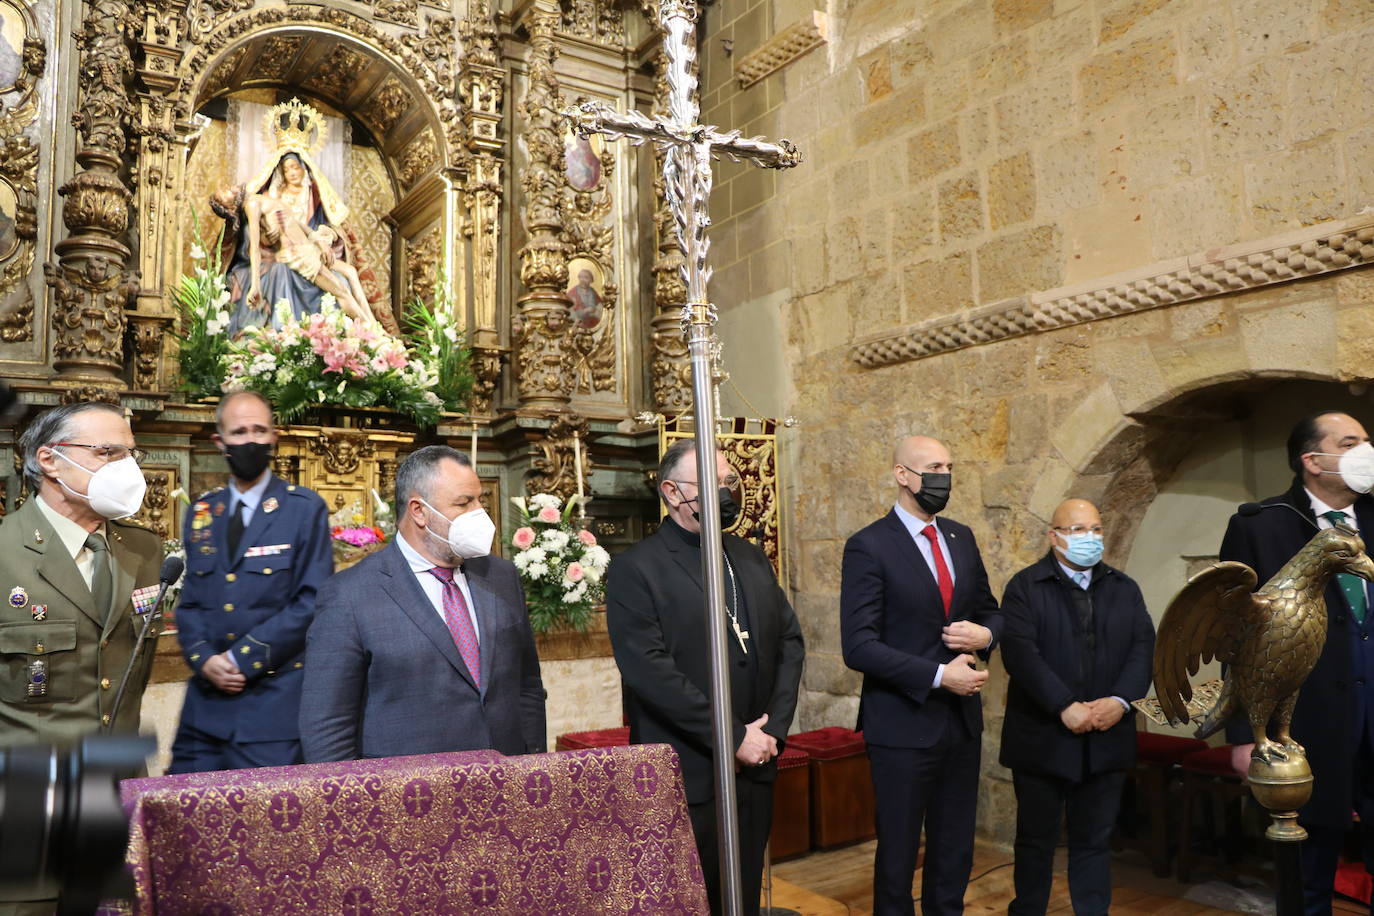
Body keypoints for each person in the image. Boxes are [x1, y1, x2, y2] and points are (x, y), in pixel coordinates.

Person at [606, 439, 804, 916]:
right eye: (712, 484)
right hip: (688, 770)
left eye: (729, 481)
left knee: (744, 896)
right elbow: (649, 672)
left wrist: (771, 731)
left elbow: (790, 643)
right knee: (692, 901)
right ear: (673, 492)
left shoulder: (750, 557)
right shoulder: (637, 568)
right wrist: (732, 736)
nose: (726, 491)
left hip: (757, 761)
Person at [0, 402, 162, 914]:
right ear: (50, 460)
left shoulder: (144, 551)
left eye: (130, 454)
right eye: (108, 452)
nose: (126, 468)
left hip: (113, 802)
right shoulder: (5, 552)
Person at [299, 445, 546, 761]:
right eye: (463, 503)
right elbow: (327, 726)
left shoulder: (501, 576)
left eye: (479, 500)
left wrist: (531, 763)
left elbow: (527, 685)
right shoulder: (349, 597)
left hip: (504, 784)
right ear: (419, 510)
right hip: (408, 797)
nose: (479, 513)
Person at [1219, 410, 1374, 915]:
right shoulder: (1261, 526)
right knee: (1307, 874)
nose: (1365, 454)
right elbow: (1236, 638)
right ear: (1313, 460)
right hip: (1306, 724)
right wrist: (1245, 733)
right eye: (1351, 443)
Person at [840, 435, 1002, 916]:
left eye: (949, 466)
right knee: (898, 855)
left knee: (954, 850)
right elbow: (859, 646)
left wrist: (985, 636)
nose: (943, 477)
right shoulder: (869, 545)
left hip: (961, 723)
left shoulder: (961, 536)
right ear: (902, 475)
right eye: (933, 467)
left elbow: (993, 613)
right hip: (902, 725)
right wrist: (937, 676)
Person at [998, 498, 1155, 915]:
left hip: (1107, 734)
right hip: (1042, 735)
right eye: (1077, 530)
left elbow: (1143, 649)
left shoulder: (1124, 587)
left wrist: (1121, 701)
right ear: (1054, 537)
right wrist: (1064, 705)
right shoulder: (1025, 587)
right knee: (1036, 839)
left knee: (1094, 839)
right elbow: (1021, 654)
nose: (1090, 538)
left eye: (1096, 529)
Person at [167, 391, 332, 773]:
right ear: (219, 442)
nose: (251, 440)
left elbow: (311, 602)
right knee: (182, 820)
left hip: (271, 711)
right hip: (203, 715)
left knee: (268, 827)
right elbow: (190, 603)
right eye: (239, 432)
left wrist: (243, 658)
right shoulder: (204, 511)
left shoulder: (303, 509)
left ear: (275, 436)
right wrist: (204, 658)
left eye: (260, 430)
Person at [209, 182, 373, 331]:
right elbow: (254, 248)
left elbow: (296, 222)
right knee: (341, 291)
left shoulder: (259, 198)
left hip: (308, 248)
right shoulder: (251, 205)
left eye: (223, 186)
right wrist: (255, 286)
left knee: (350, 271)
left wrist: (318, 241)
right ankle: (369, 329)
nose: (227, 186)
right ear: (229, 207)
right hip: (298, 255)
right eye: (223, 193)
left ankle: (371, 323)